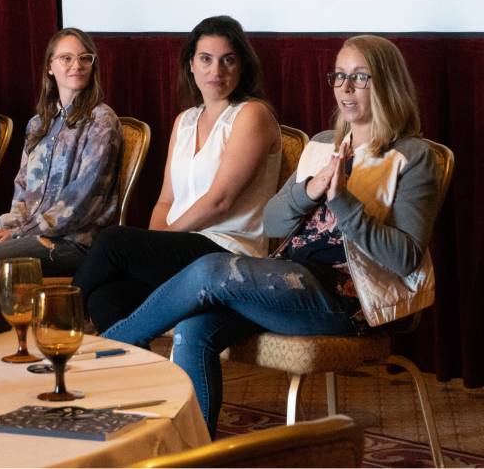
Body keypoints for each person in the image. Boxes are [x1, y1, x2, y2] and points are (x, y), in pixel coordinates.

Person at [98, 35, 441, 437]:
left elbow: (405, 258)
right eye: (339, 76)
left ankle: (105, 352)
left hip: (349, 300)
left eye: (360, 78)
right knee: (195, 329)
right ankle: (191, 453)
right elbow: (274, 224)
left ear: (386, 84)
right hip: (288, 279)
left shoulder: (414, 157)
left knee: (212, 268)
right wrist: (310, 190)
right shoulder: (323, 145)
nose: (345, 88)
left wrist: (344, 202)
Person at [73, 15, 282, 333]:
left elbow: (219, 202)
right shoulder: (185, 120)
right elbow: (165, 201)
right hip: (183, 250)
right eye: (206, 59)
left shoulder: (252, 114)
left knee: (114, 241)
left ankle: (49, 330)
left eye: (228, 60)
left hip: (229, 252)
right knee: (107, 298)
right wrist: (152, 248)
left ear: (243, 67)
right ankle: (136, 381)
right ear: (190, 65)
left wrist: (154, 245)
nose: (216, 71)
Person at [0, 27, 122, 316]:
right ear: (50, 67)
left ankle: (7, 347)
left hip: (75, 242)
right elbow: (22, 188)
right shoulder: (38, 123)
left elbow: (83, 199)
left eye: (85, 58)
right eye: (67, 58)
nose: (77, 65)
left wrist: (23, 232)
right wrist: (11, 227)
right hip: (28, 232)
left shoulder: (101, 120)